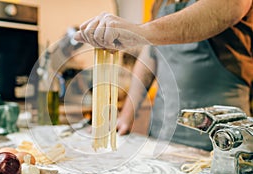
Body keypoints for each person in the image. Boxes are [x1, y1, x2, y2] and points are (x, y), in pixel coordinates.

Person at [74, 0, 253, 151]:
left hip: (220, 138)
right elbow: (151, 54)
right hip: (163, 133)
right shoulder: (162, 2)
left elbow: (229, 7)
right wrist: (125, 115)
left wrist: (140, 32)